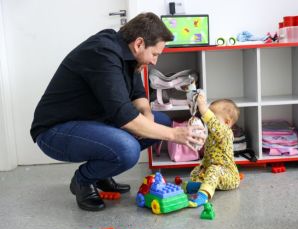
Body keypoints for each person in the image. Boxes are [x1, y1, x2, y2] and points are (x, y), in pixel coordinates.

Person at [30, 12, 205, 211]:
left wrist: (147, 121)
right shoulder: (102, 53)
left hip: (92, 124)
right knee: (127, 148)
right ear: (139, 43)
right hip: (55, 131)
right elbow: (123, 115)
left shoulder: (130, 56)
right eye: (155, 54)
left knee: (161, 121)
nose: (155, 61)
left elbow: (139, 97)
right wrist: (173, 135)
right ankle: (83, 180)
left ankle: (101, 173)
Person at [182, 93, 240, 207]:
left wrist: (203, 107)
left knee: (214, 169)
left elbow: (215, 125)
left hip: (228, 175)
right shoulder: (213, 133)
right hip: (212, 170)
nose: (209, 119)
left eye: (213, 116)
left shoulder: (226, 133)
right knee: (197, 170)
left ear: (227, 122)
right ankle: (201, 185)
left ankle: (203, 195)